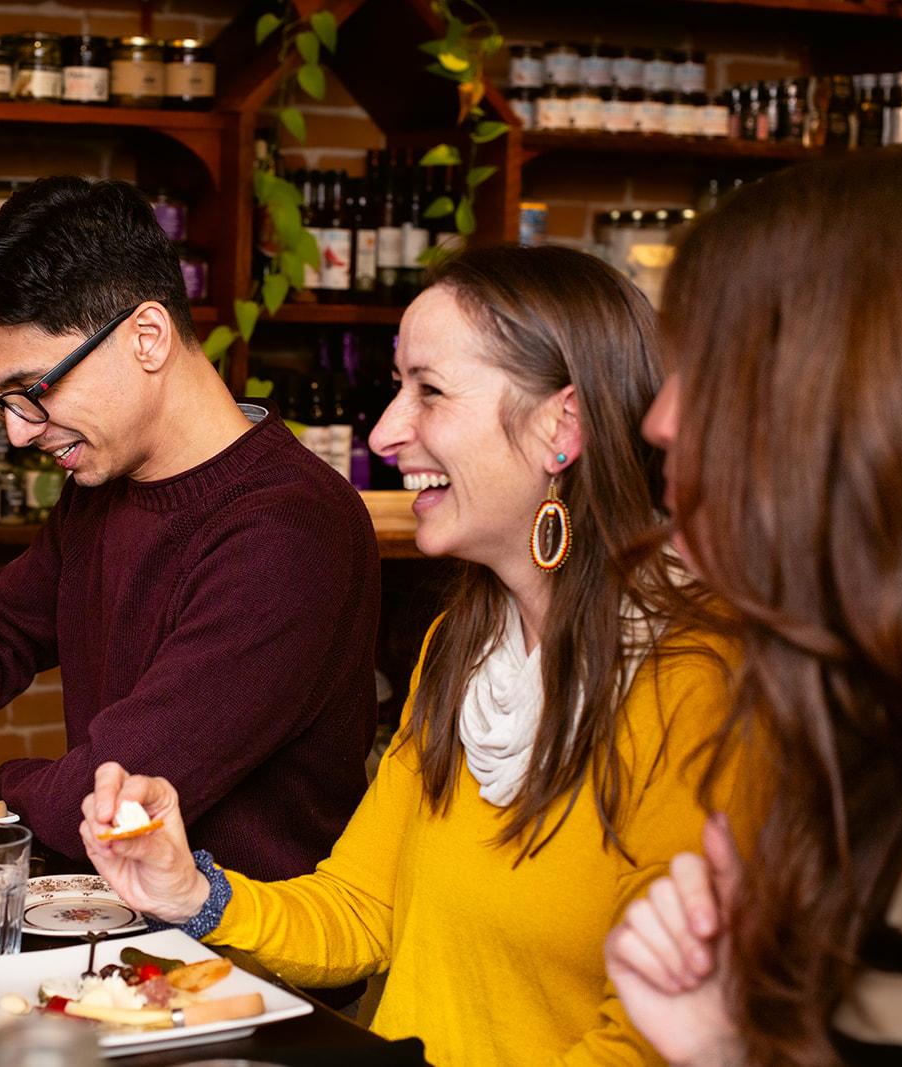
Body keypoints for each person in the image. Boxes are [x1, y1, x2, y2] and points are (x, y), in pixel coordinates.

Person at [82, 245, 765, 1066]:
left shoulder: (694, 683)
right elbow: (363, 908)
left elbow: (648, 1044)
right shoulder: (464, 649)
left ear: (565, 426)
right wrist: (192, 892)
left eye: (429, 391)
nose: (385, 430)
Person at [0, 175, 381, 885]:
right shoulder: (108, 478)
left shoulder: (291, 533)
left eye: (34, 389)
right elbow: (2, 626)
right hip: (115, 919)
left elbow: (111, 793)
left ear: (146, 336)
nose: (17, 431)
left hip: (243, 964)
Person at [604, 151, 902, 1066]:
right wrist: (727, 1044)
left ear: (857, 396)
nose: (661, 422)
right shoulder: (879, 732)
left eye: (708, 369)